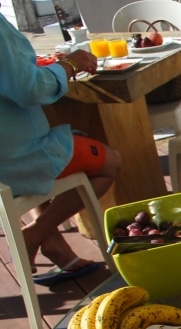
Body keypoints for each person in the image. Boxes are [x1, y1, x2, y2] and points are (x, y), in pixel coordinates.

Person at [0, 12, 121, 285]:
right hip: (17, 159)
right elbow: (29, 88)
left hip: (10, 161)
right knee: (110, 162)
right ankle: (34, 233)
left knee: (51, 164)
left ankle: (55, 245)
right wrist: (70, 65)